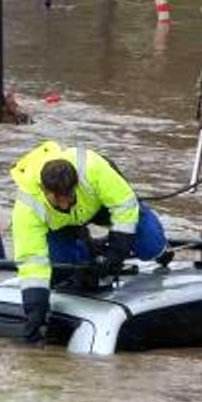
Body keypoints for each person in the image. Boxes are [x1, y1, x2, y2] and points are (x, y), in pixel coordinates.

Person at [10, 141, 169, 341]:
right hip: (61, 226)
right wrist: (35, 313)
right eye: (58, 200)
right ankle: (85, 253)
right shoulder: (27, 207)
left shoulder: (93, 168)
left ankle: (159, 245)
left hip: (99, 204)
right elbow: (32, 262)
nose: (66, 204)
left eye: (69, 196)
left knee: (150, 245)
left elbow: (125, 207)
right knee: (59, 269)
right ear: (44, 190)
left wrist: (115, 255)